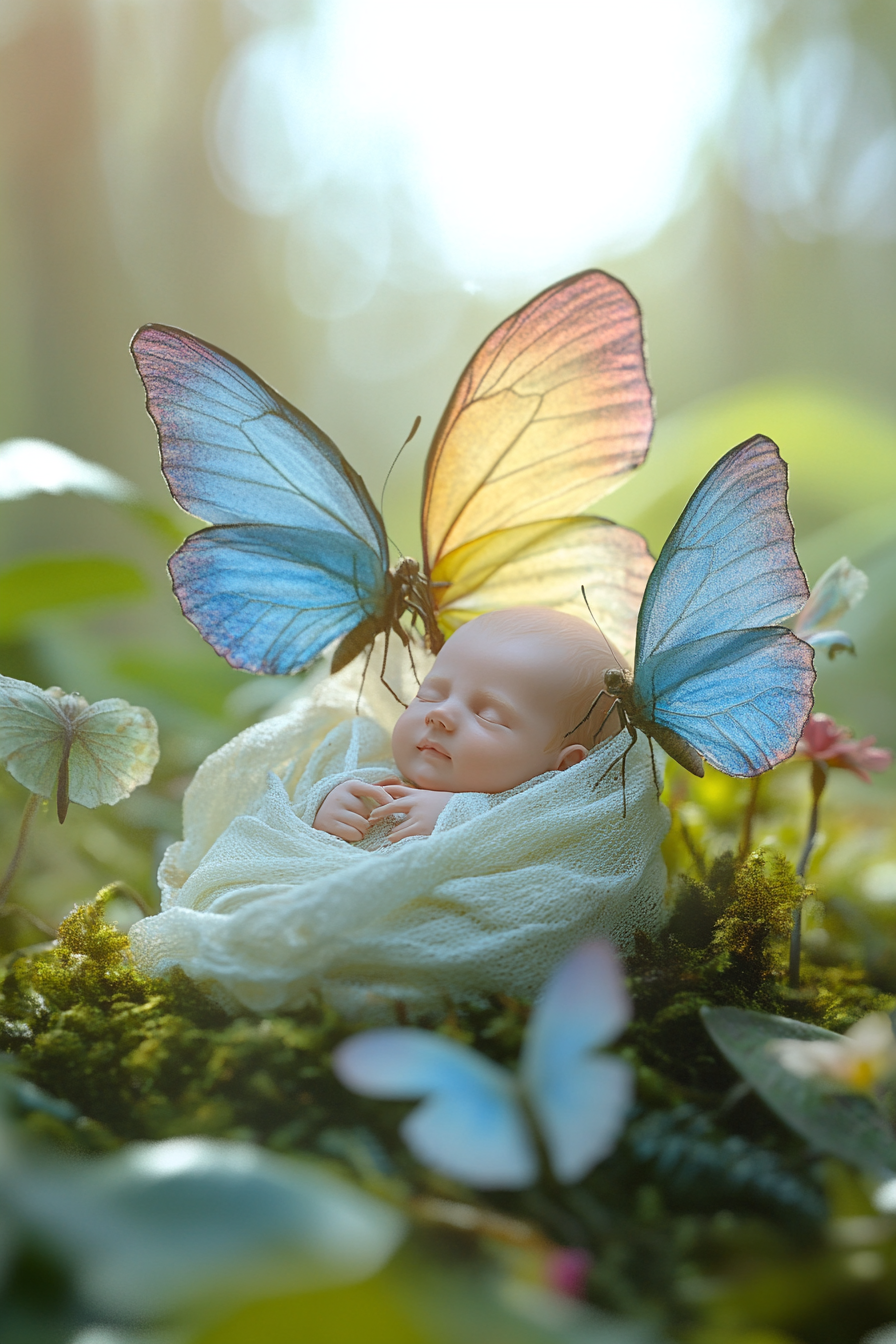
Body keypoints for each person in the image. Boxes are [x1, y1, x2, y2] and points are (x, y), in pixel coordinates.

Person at [313, 606, 624, 845]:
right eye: (430, 695)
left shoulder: (545, 831)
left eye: (487, 716)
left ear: (564, 768)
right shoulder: (370, 771)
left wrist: (460, 818)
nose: (440, 714)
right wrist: (328, 806)